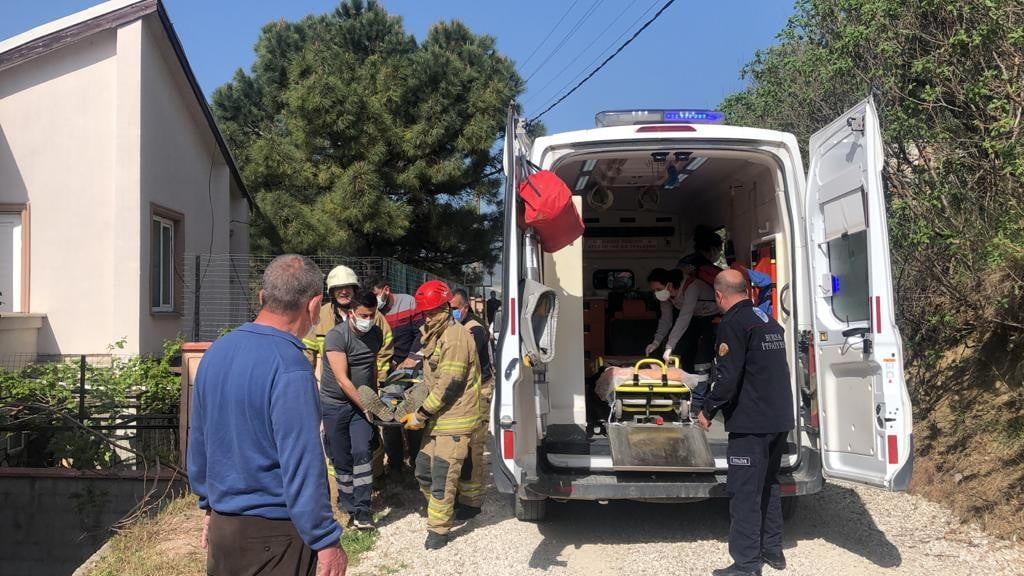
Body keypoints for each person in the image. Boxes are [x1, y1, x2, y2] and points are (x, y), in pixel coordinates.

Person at [188, 254, 346, 576]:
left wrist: (208, 506)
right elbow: (302, 462)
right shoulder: (290, 366)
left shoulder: (216, 352)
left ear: (262, 298)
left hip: (223, 530)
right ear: (314, 306)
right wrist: (325, 539)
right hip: (275, 537)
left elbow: (200, 440)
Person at [697, 269, 795, 576]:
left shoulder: (733, 324)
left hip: (751, 423)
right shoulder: (766, 319)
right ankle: (772, 551)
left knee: (744, 492)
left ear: (719, 295)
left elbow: (727, 377)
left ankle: (746, 564)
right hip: (778, 419)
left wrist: (708, 409)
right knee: (769, 485)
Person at [398, 280, 481, 550]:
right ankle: (446, 506)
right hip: (437, 418)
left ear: (446, 308)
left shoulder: (455, 337)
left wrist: (420, 414)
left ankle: (438, 531)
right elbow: (431, 379)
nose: (428, 317)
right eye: (425, 313)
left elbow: (450, 384)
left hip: (454, 418)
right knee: (423, 471)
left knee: (442, 476)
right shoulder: (434, 333)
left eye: (433, 311)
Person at [321, 290, 384, 530]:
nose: (368, 320)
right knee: (342, 458)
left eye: (372, 315)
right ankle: (348, 506)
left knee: (362, 453)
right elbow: (342, 380)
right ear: (350, 313)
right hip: (336, 404)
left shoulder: (376, 334)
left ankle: (363, 510)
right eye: (363, 315)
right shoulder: (337, 337)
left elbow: (372, 368)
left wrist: (375, 399)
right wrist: (368, 406)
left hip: (362, 406)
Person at [370, 278, 425, 477]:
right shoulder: (374, 313)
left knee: (412, 418)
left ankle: (417, 462)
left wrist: (411, 359)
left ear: (386, 289)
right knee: (389, 420)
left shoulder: (408, 303)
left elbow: (421, 334)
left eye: (377, 294)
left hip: (411, 370)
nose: (376, 300)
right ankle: (395, 465)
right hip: (388, 372)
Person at [450, 288, 495, 519]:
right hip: (465, 390)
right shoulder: (456, 327)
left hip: (479, 390)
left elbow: (463, 361)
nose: (451, 312)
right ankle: (459, 495)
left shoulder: (474, 330)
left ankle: (471, 502)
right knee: (459, 447)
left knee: (473, 447)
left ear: (465, 308)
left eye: (455, 308)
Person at [308, 266, 393, 386]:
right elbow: (308, 351)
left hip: (364, 387)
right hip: (332, 388)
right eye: (338, 288)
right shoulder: (320, 316)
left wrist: (380, 381)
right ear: (331, 292)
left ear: (355, 290)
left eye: (347, 287)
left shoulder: (372, 315)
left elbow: (385, 349)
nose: (343, 292)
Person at [644, 266, 719, 372]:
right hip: (695, 317)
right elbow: (666, 320)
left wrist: (669, 346)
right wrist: (656, 342)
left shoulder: (691, 286)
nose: (656, 293)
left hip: (712, 317)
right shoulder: (666, 296)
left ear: (669, 285)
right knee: (680, 351)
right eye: (653, 290)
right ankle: (685, 377)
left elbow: (684, 317)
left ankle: (702, 384)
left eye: (658, 289)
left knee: (702, 355)